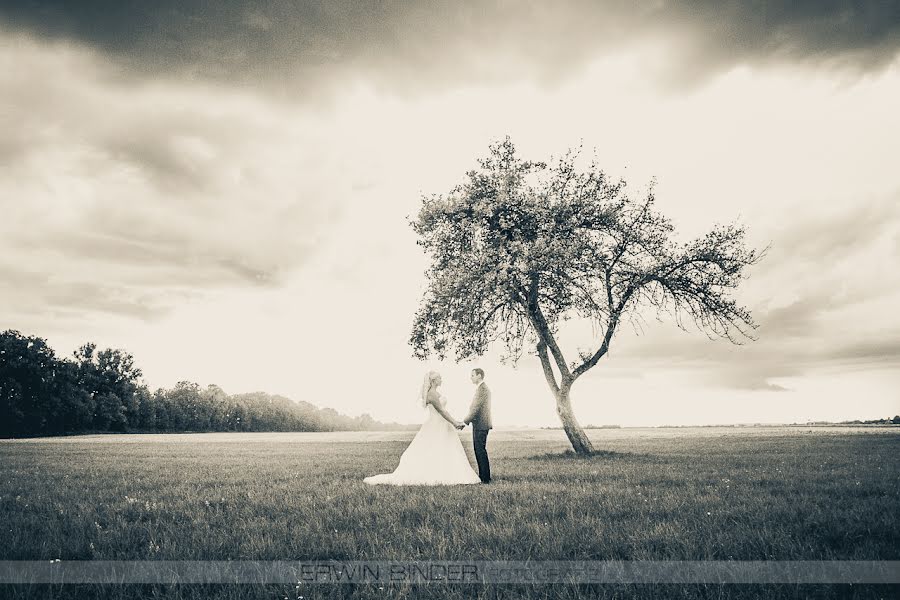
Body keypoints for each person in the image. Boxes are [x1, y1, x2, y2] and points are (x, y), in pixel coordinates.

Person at [363, 371, 481, 486]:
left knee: (445, 448)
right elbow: (442, 411)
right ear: (434, 381)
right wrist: (455, 423)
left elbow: (444, 411)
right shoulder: (431, 394)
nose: (442, 380)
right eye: (440, 378)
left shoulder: (436, 393)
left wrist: (455, 421)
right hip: (436, 425)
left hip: (443, 424)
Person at [460, 368, 492, 483]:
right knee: (479, 450)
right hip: (479, 424)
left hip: (481, 425)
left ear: (479, 376)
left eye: (472, 375)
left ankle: (485, 478)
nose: (471, 377)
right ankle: (484, 476)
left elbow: (475, 408)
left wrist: (464, 422)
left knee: (480, 450)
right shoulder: (481, 389)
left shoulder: (483, 389)